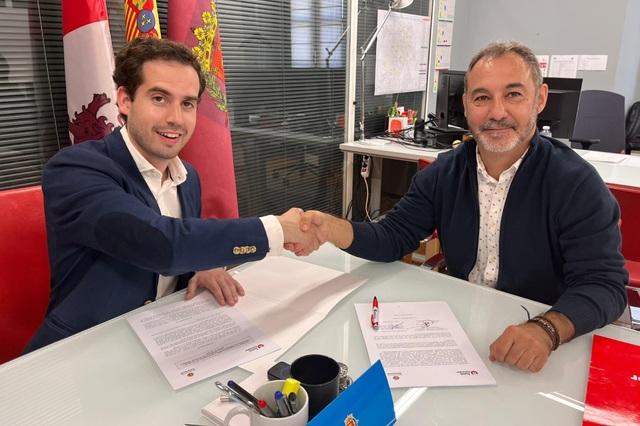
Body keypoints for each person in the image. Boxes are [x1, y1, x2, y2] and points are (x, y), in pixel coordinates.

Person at [297, 40, 628, 372]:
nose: (497, 112)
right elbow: (393, 237)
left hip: (543, 337)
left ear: (540, 99)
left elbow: (605, 285)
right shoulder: (444, 172)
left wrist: (547, 329)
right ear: (467, 105)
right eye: (482, 97)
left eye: (513, 94)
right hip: (461, 325)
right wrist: (329, 227)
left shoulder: (575, 183)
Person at [23, 37, 323, 353]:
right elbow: (159, 244)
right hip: (82, 350)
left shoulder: (188, 178)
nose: (176, 118)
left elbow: (184, 246)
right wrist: (278, 229)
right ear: (125, 101)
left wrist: (203, 264)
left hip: (165, 337)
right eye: (159, 98)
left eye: (187, 104)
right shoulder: (75, 169)